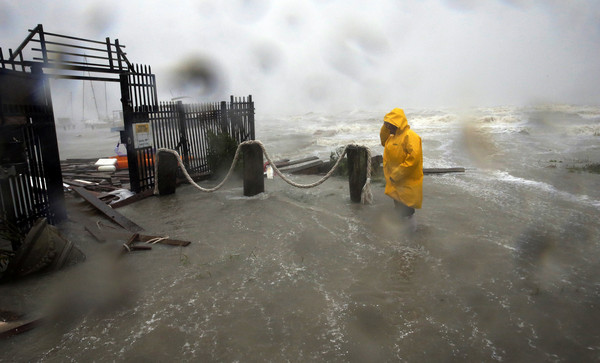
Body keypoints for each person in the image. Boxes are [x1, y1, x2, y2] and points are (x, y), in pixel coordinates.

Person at [380, 108, 423, 230]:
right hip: (395, 180)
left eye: (391, 125)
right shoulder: (392, 138)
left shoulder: (410, 136)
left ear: (398, 123)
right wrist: (385, 124)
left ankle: (411, 235)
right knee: (399, 206)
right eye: (388, 125)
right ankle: (404, 233)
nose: (390, 128)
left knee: (407, 210)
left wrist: (397, 174)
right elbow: (383, 140)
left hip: (406, 180)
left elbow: (413, 159)